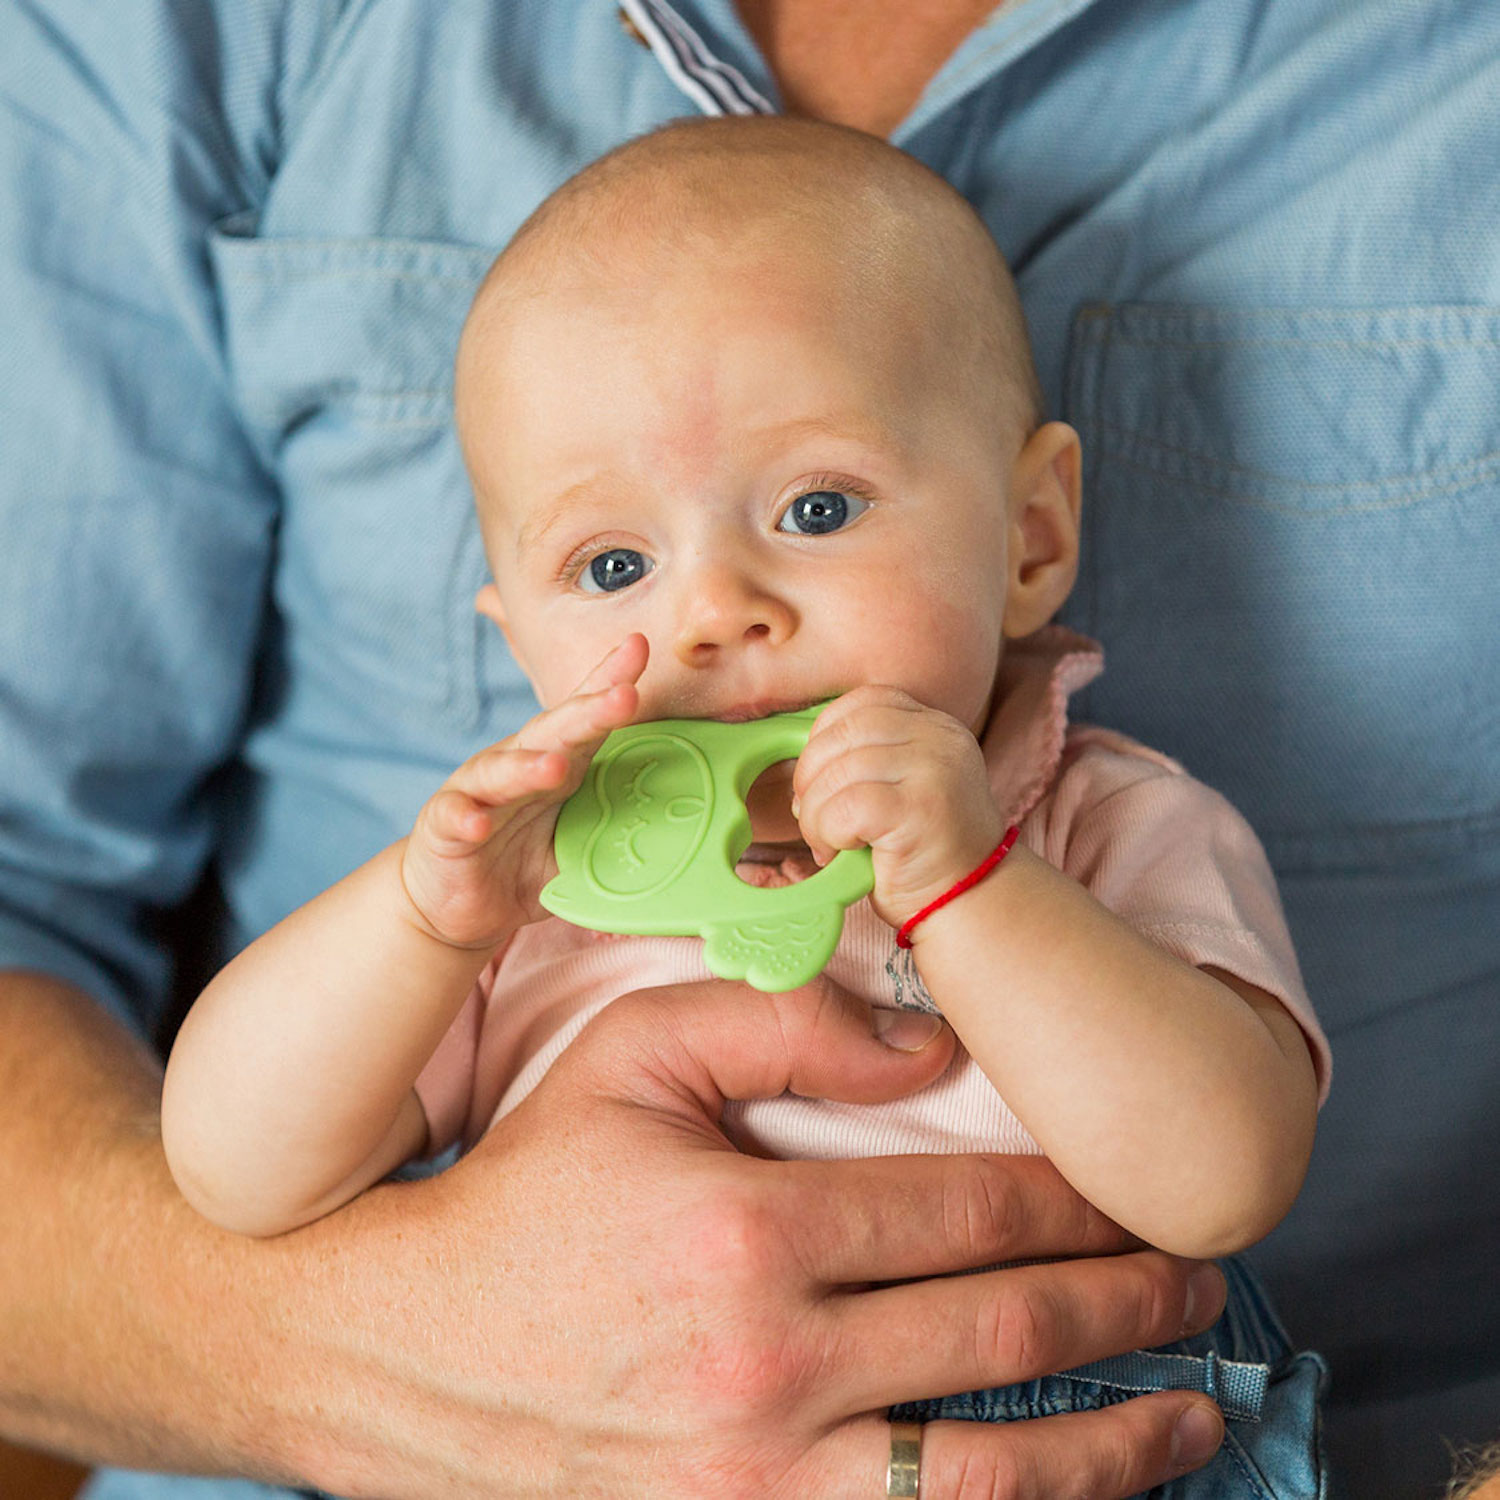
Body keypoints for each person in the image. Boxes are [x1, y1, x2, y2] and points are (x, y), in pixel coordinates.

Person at [1, 4, 1496, 1499]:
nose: (715, 611)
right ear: (510, 627)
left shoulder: (1101, 823)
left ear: (1033, 540)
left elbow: (1221, 1175)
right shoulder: (534, 901)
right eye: (609, 568)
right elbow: (234, 1167)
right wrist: (415, 923)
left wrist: (978, 887)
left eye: (818, 511)